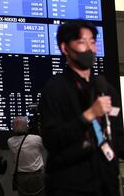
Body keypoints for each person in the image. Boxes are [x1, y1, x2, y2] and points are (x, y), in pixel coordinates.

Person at [39, 20, 124, 196]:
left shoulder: (106, 89)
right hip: (70, 186)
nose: (89, 48)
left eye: (92, 41)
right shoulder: (55, 89)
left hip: (107, 184)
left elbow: (117, 138)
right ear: (65, 48)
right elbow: (52, 140)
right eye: (81, 42)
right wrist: (89, 115)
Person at [7, 116, 44, 196]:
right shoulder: (36, 139)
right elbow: (42, 147)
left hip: (20, 177)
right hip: (36, 176)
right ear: (27, 126)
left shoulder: (10, 141)